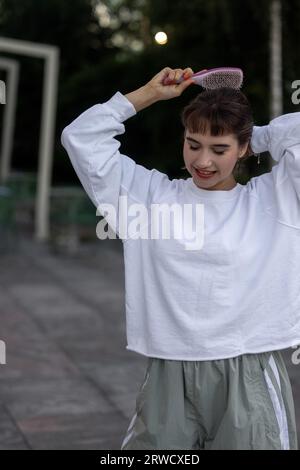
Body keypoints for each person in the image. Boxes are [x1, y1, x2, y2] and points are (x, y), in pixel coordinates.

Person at [61, 67, 299, 450]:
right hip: (168, 370)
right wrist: (148, 94)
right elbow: (81, 138)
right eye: (193, 144)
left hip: (248, 370)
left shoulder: (276, 201)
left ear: (243, 150)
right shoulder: (148, 198)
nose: (203, 160)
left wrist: (257, 134)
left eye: (219, 149)